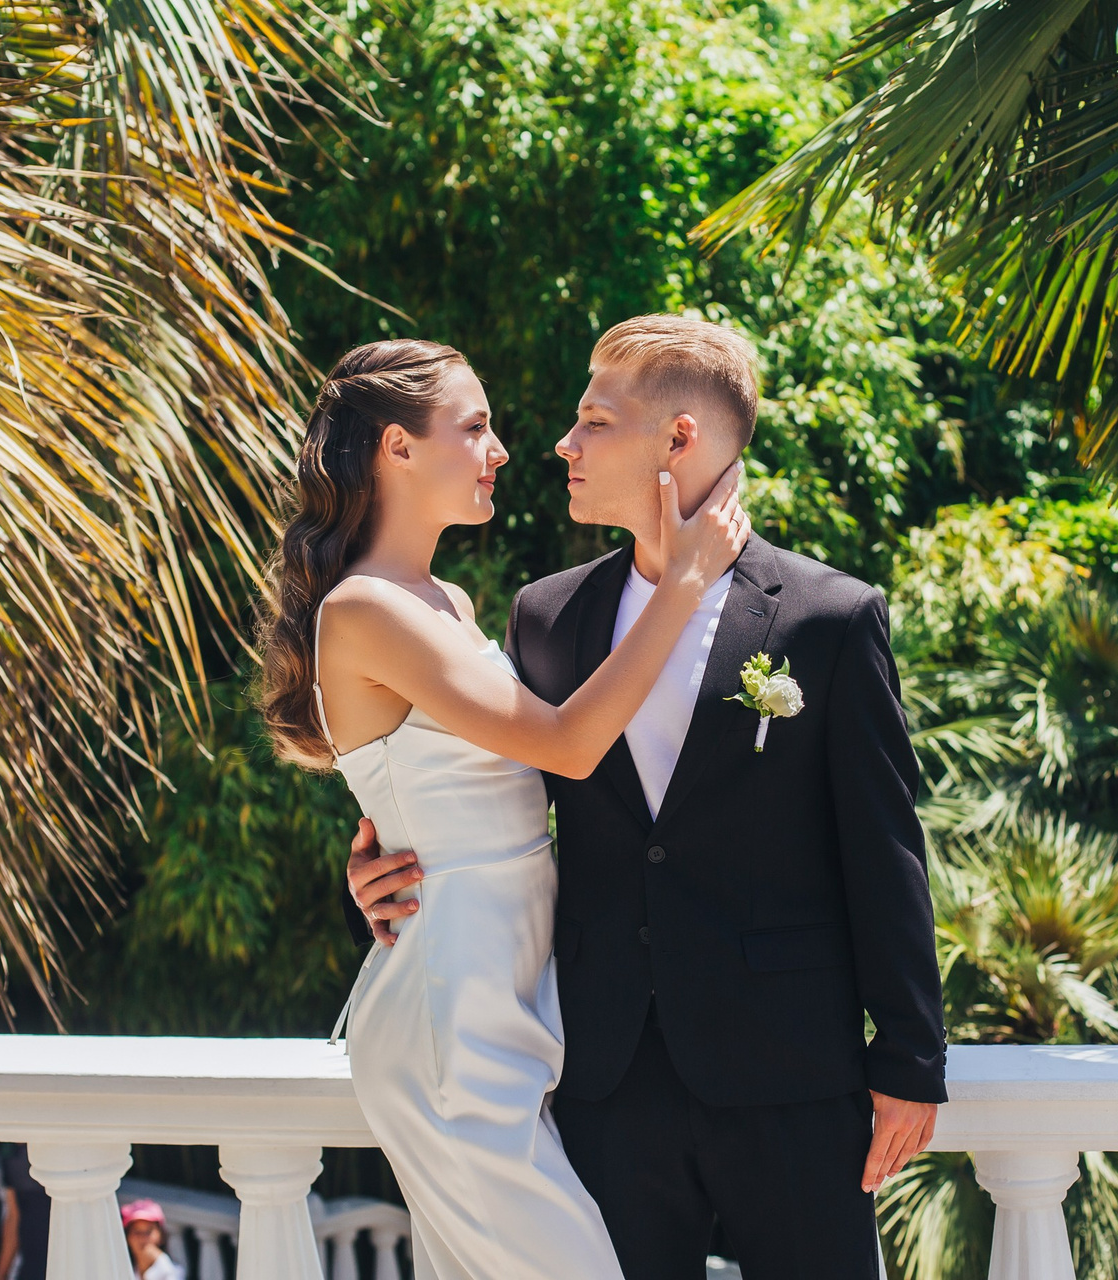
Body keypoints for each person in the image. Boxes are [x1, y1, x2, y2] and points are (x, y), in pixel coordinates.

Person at [346, 315, 948, 1279]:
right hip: (605, 1077)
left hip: (791, 1075)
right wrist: (378, 868)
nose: (563, 444)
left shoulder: (828, 617)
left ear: (679, 438)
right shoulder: (548, 616)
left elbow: (884, 849)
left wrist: (912, 1059)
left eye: (594, 422)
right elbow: (484, 786)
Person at [257, 337, 749, 1280]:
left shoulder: (445, 600)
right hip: (452, 1015)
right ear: (398, 448)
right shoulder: (366, 610)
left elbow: (464, 793)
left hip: (506, 1000)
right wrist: (686, 583)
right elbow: (565, 744)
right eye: (475, 427)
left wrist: (377, 860)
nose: (503, 450)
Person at [0, 1144, 50, 1280]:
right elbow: (13, 1217)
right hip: (33, 1267)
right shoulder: (11, 1151)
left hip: (66, 1262)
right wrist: (0, 1275)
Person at [120, 1200, 182, 1280]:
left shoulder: (174, 1271)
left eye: (148, 1232)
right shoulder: (121, 1269)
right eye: (137, 1232)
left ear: (161, 1235)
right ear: (127, 1237)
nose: (143, 1238)